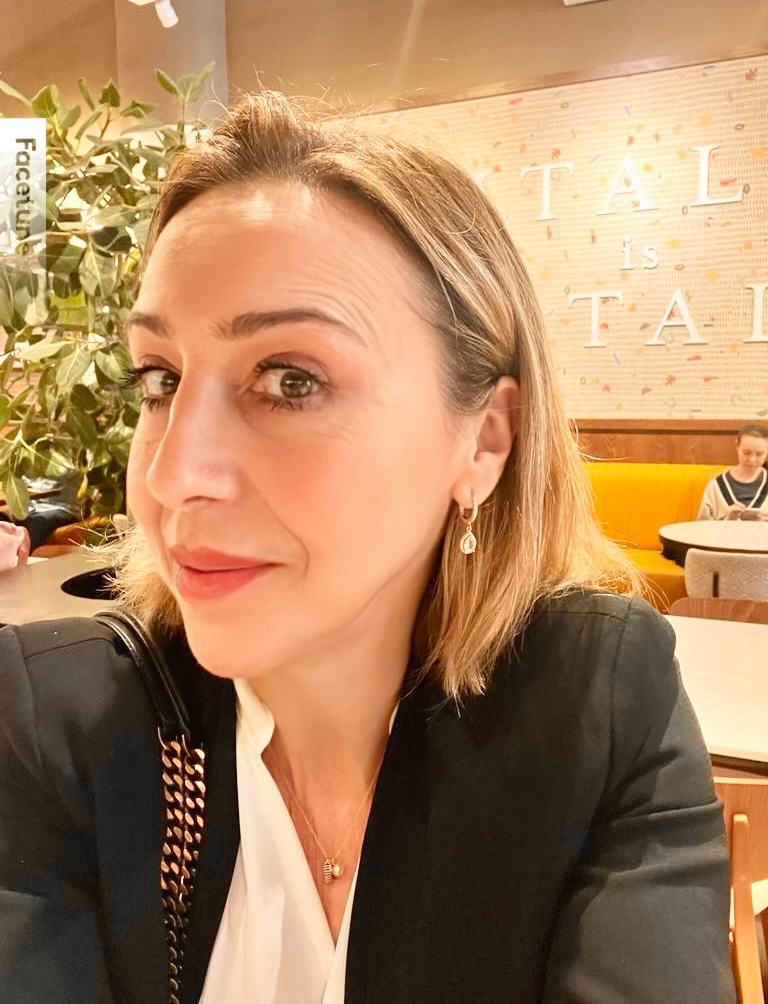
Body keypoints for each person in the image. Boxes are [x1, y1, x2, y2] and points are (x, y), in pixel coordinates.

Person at [0, 93, 735, 1004]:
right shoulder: (55, 726)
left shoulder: (598, 710)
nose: (171, 473)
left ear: (485, 441)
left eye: (290, 380)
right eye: (160, 379)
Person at [698, 423, 768, 519]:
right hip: (723, 534)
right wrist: (729, 518)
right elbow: (701, 528)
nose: (752, 460)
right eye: (746, 453)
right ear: (737, 446)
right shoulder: (716, 486)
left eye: (760, 454)